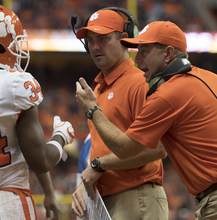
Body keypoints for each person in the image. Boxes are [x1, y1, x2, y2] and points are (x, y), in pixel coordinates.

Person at [75, 20, 217, 220]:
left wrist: (92, 109)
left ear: (168, 54)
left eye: (145, 51)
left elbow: (124, 148)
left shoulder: (167, 94)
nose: (138, 60)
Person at [0, 4, 74, 220]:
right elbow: (40, 159)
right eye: (12, 42)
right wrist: (61, 136)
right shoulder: (14, 85)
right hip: (6, 202)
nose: (16, 48)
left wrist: (47, 191)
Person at [71, 8, 168, 220]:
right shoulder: (97, 89)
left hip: (136, 194)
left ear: (124, 39)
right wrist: (86, 183)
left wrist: (99, 165)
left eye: (103, 39)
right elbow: (102, 150)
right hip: (106, 200)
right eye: (90, 40)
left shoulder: (139, 82)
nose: (95, 46)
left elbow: (159, 148)